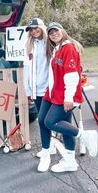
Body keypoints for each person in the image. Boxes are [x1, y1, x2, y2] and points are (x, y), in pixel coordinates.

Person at [37, 22, 98, 173]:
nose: (53, 34)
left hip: (65, 95)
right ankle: (69, 161)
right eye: (51, 33)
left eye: (56, 31)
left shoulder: (68, 48)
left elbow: (72, 75)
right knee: (44, 120)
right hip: (52, 93)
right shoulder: (58, 49)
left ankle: (86, 136)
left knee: (50, 122)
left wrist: (69, 97)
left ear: (62, 31)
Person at [23, 18, 56, 157]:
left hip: (48, 88)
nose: (34, 31)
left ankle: (46, 148)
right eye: (31, 29)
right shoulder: (29, 45)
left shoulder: (50, 44)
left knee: (43, 120)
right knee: (44, 120)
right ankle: (50, 146)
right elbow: (26, 69)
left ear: (42, 27)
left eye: (36, 28)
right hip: (35, 90)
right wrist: (28, 89)